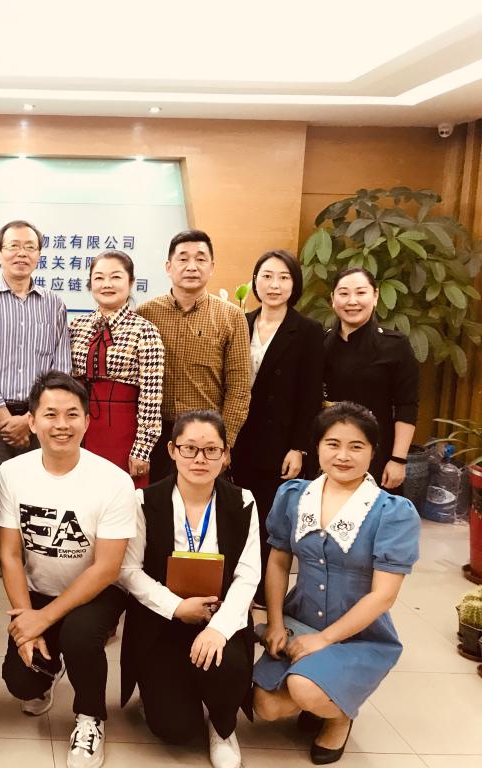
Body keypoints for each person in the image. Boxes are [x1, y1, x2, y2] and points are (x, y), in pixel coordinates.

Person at [253, 402, 420, 765]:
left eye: (356, 446)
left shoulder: (392, 512)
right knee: (265, 706)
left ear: (373, 451)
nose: (343, 456)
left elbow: (383, 596)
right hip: (301, 621)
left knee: (302, 687)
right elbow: (279, 561)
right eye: (332, 444)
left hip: (359, 635)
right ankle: (320, 693)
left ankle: (339, 716)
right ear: (317, 447)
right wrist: (276, 623)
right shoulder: (294, 496)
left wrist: (324, 640)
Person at [0, 371, 135, 768]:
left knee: (78, 637)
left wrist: (42, 621)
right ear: (32, 421)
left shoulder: (114, 481)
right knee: (21, 681)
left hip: (98, 590)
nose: (62, 425)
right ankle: (48, 671)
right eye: (50, 414)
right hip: (39, 588)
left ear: (87, 421)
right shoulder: (11, 474)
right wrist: (26, 620)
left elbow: (108, 568)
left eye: (72, 414)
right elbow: (10, 555)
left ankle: (90, 717)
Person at [119, 409, 259, 768]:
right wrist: (175, 607)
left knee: (226, 665)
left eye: (211, 450)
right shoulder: (145, 501)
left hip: (219, 617)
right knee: (175, 729)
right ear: (172, 450)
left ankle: (223, 726)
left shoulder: (243, 502)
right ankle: (161, 694)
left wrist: (218, 629)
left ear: (225, 455)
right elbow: (128, 571)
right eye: (190, 448)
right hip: (162, 621)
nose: (200, 459)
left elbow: (248, 575)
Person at [0, 219, 72, 633]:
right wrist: (5, 417)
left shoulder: (54, 304)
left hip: (42, 421)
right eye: (13, 246)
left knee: (42, 511)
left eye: (30, 247)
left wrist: (33, 417)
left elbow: (61, 368)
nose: (22, 253)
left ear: (40, 255)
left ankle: (45, 606)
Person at [231, 250, 324, 602]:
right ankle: (236, 584)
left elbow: (310, 396)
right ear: (255, 281)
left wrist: (299, 447)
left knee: (272, 519)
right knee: (240, 514)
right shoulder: (240, 322)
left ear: (294, 284)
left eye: (284, 277)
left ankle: (263, 593)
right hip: (240, 438)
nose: (274, 285)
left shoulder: (308, 331)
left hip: (280, 443)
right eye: (267, 276)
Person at [137, 230, 251, 483]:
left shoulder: (231, 317)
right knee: (156, 503)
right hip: (156, 435)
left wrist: (224, 441)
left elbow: (239, 387)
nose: (191, 267)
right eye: (183, 259)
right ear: (168, 267)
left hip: (206, 437)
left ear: (212, 267)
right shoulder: (146, 314)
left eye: (200, 259)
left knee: (204, 504)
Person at [69, 250, 164, 489]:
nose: (107, 284)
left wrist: (142, 448)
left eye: (116, 277)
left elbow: (151, 396)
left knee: (119, 494)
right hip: (78, 425)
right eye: (99, 277)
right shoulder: (76, 326)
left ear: (131, 282)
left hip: (123, 431)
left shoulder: (144, 330)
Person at [322, 267, 418, 488]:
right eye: (344, 293)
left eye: (360, 292)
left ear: (375, 296)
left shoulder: (395, 345)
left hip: (376, 452)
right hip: (328, 452)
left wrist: (398, 459)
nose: (352, 301)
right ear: (333, 299)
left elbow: (407, 405)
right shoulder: (320, 343)